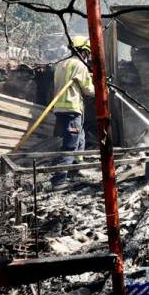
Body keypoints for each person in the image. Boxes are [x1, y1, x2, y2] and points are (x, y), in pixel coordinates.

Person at [51, 35, 95, 185]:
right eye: (87, 54)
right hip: (72, 108)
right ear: (83, 51)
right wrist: (102, 88)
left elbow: (71, 81)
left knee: (79, 136)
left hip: (60, 109)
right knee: (70, 145)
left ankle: (76, 167)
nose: (88, 57)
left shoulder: (61, 64)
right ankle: (59, 179)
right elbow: (89, 90)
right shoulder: (79, 65)